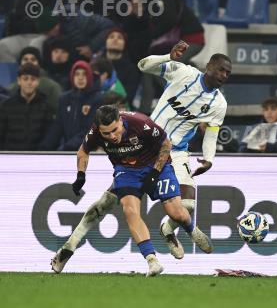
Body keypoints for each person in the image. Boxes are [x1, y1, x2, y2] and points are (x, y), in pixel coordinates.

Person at [49, 40, 231, 266]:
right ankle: (68, 248)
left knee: (188, 206)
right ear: (209, 67)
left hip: (177, 152)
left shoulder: (219, 104)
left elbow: (212, 133)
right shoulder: (183, 73)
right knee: (103, 205)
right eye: (220, 69)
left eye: (227, 72)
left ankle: (168, 229)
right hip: (148, 146)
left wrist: (209, 158)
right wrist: (168, 57)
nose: (224, 75)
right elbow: (143, 66)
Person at [51, 105, 213, 276]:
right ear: (99, 130)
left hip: (156, 165)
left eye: (115, 130)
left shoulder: (141, 123)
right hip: (126, 170)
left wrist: (154, 173)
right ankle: (152, 261)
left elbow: (166, 144)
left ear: (121, 121)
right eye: (106, 133)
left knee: (177, 213)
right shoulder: (95, 132)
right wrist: (80, 175)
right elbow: (83, 151)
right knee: (130, 210)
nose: (112, 136)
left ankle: (191, 229)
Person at [40, 60, 102, 151]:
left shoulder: (97, 99)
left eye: (84, 74)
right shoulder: (64, 99)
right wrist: (43, 149)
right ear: (72, 77)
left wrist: (66, 148)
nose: (80, 78)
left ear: (89, 76)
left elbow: (88, 130)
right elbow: (57, 127)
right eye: (77, 74)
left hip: (88, 151)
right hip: (68, 151)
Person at [0, 63, 54, 150]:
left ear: (38, 81)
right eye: (25, 79)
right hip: (9, 158)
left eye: (33, 79)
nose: (29, 82)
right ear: (19, 80)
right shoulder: (6, 106)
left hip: (37, 158)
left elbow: (48, 139)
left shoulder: (46, 108)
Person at [9, 46, 62, 112]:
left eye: (33, 59)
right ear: (20, 64)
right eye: (25, 59)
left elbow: (58, 113)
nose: (29, 62)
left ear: (39, 63)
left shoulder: (52, 87)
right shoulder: (12, 87)